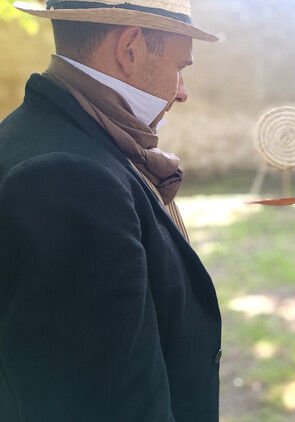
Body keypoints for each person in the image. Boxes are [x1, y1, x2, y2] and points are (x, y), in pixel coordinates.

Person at [0, 1, 222, 421]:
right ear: (130, 48)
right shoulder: (67, 179)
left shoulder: (39, 134)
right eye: (180, 66)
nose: (182, 92)